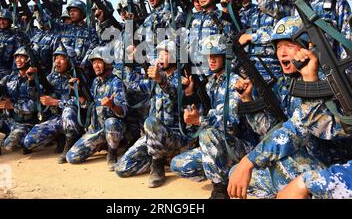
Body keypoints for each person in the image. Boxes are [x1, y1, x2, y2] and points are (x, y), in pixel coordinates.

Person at [228, 16, 352, 199]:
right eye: (278, 47)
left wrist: (250, 161)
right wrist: (248, 100)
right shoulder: (284, 85)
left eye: (289, 45)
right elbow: (270, 130)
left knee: (273, 163)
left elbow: (296, 131)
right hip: (302, 158)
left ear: (306, 48)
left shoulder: (330, 83)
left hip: (334, 168)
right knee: (235, 173)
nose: (282, 53)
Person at [170, 34, 258, 199]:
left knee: (207, 133)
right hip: (220, 144)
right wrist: (189, 94)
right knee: (178, 165)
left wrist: (199, 121)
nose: (211, 60)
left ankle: (220, 189)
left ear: (226, 57)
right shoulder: (211, 83)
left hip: (241, 144)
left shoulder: (236, 82)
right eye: (208, 56)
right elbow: (205, 111)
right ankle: (224, 172)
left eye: (215, 56)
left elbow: (231, 122)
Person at [115, 40, 195, 188]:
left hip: (175, 137)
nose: (160, 58)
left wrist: (161, 80)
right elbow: (133, 86)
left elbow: (174, 94)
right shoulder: (153, 79)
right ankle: (159, 157)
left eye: (165, 54)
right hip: (153, 138)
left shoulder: (184, 79)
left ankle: (158, 165)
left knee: (150, 122)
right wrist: (129, 63)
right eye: (159, 54)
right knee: (122, 168)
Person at [66, 46, 128, 171]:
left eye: (99, 62)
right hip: (96, 130)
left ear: (108, 63)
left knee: (111, 122)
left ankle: (112, 153)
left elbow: (123, 112)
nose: (96, 66)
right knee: (71, 157)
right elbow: (90, 106)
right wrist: (77, 91)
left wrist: (112, 106)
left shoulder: (116, 82)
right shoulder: (95, 82)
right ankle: (102, 144)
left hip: (112, 128)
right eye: (94, 63)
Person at [0, 47, 40, 160]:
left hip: (26, 123)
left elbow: (36, 104)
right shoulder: (10, 77)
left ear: (29, 59)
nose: (18, 60)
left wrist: (12, 106)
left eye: (22, 57)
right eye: (16, 57)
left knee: (9, 144)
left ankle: (25, 141)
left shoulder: (36, 80)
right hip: (8, 120)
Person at [23, 45, 83, 163]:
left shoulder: (78, 77)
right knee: (28, 142)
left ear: (70, 61)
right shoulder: (52, 77)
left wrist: (56, 102)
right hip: (56, 119)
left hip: (74, 119)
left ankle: (70, 142)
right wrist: (31, 81)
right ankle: (59, 137)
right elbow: (34, 96)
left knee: (68, 111)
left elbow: (82, 103)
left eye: (62, 58)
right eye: (56, 58)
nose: (57, 62)